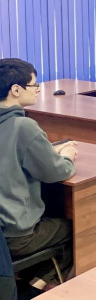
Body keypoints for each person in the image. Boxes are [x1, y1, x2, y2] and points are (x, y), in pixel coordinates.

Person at [0, 58, 77, 296]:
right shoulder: (24, 126)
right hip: (16, 236)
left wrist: (46, 151)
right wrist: (67, 157)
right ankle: (34, 287)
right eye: (34, 85)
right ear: (16, 90)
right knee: (78, 229)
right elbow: (57, 172)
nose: (38, 90)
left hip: (2, 235)